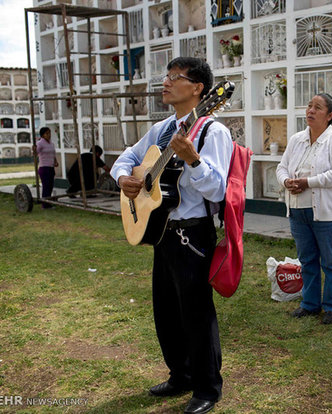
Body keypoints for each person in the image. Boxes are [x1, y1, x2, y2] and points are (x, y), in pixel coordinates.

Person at [110, 57, 232, 414]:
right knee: (165, 311)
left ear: (198, 89)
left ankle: (208, 388)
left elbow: (218, 190)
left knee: (196, 312)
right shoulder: (164, 129)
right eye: (166, 76)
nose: (165, 83)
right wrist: (124, 179)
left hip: (192, 234)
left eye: (174, 77)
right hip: (161, 231)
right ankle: (181, 375)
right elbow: (127, 157)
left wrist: (194, 161)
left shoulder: (212, 131)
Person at [276, 93, 332, 325]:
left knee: (331, 262)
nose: (310, 110)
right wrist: (286, 182)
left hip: (327, 213)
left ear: (329, 116)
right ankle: (310, 304)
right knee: (307, 259)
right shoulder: (296, 139)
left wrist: (308, 183)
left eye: (317, 107)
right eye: (309, 106)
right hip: (298, 210)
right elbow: (281, 167)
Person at [35, 126, 58, 209]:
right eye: (47, 133)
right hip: (44, 167)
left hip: (51, 167)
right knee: (46, 186)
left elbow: (53, 153)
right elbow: (35, 152)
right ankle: (45, 204)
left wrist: (55, 161)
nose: (49, 135)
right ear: (43, 135)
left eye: (49, 133)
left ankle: (48, 202)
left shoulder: (51, 143)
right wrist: (34, 149)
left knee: (50, 186)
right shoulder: (40, 143)